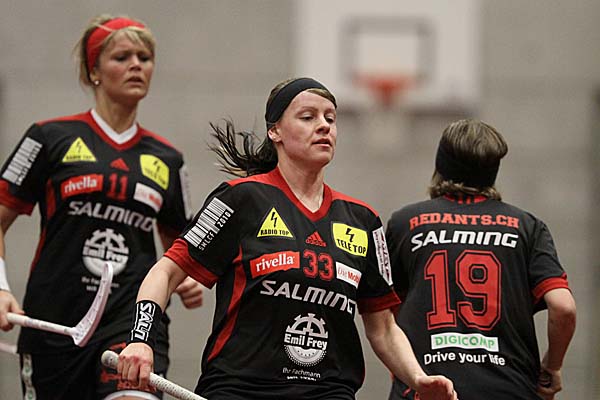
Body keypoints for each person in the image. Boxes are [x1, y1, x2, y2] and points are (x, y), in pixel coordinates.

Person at [116, 77, 458, 400]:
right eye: (308, 117)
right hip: (242, 389)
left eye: (330, 118)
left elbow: (383, 328)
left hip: (328, 392)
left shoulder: (363, 221)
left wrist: (417, 378)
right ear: (275, 131)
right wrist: (140, 339)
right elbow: (166, 272)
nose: (324, 126)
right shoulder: (239, 199)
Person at [0, 14, 203, 400]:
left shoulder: (169, 160)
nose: (136, 65)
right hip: (55, 320)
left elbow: (181, 243)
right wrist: (0, 286)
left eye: (145, 58)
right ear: (94, 70)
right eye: (122, 57)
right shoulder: (49, 138)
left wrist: (187, 277)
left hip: (131, 321)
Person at [385, 119, 576, 400]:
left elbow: (385, 311)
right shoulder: (527, 227)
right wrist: (552, 366)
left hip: (426, 387)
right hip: (509, 388)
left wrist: (403, 367)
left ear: (441, 165)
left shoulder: (405, 223)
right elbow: (563, 307)